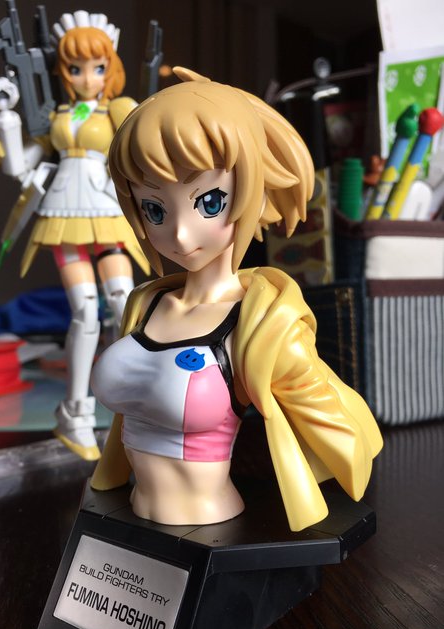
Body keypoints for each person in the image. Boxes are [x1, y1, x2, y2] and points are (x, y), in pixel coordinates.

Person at [90, 67, 383, 531]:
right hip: (135, 517)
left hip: (211, 518)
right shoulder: (146, 304)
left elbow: (332, 420)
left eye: (209, 202)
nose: (180, 234)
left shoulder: (260, 323)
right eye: (155, 209)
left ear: (253, 194)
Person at [0, 11, 150, 461]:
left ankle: (138, 409)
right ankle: (75, 413)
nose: (87, 78)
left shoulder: (118, 110)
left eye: (98, 67)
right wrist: (4, 114)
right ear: (62, 71)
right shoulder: (55, 116)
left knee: (125, 304)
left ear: (110, 68)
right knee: (85, 312)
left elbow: (145, 151)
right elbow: (18, 166)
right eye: (75, 68)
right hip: (63, 215)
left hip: (106, 212)